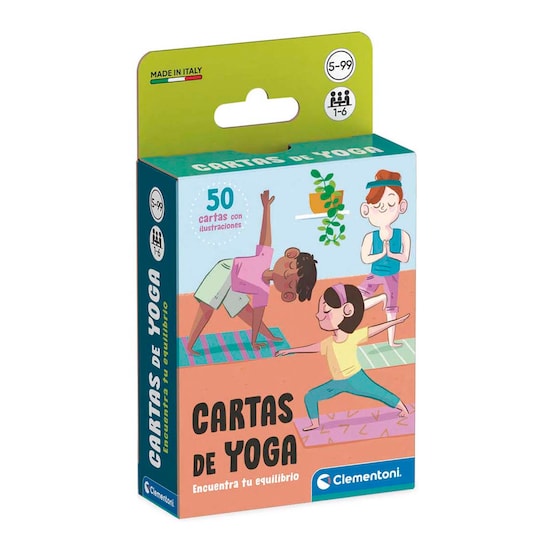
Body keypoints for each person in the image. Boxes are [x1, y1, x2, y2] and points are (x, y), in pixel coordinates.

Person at [186, 190, 318, 355]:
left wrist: (254, 341)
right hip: (225, 270)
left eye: (290, 283)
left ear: (287, 294)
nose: (286, 275)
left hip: (234, 286)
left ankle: (268, 335)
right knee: (207, 308)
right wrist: (266, 208)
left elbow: (256, 317)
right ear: (290, 254)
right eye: (290, 267)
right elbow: (265, 235)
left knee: (245, 311)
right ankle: (189, 345)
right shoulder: (264, 257)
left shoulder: (263, 291)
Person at [276, 283, 409, 431]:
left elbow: (374, 329)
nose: (319, 315)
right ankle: (315, 423)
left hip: (356, 379)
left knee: (379, 393)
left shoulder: (353, 337)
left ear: (347, 310)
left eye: (326, 310)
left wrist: (395, 321)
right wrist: (289, 351)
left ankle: (403, 408)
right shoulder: (328, 343)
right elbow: (311, 348)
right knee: (311, 396)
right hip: (337, 383)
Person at [359, 169, 411, 347]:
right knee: (355, 300)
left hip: (392, 277)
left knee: (391, 310)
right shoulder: (370, 237)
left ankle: (391, 341)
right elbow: (365, 258)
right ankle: (379, 299)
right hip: (374, 275)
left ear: (401, 206)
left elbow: (405, 257)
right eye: (378, 207)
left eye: (390, 205)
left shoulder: (402, 235)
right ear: (365, 209)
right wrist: (381, 253)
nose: (384, 210)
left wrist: (391, 253)